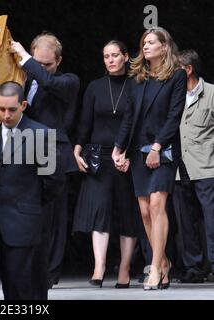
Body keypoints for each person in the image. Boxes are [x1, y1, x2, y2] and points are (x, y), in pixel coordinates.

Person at [113, 27, 187, 290]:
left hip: (164, 150)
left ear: (165, 47)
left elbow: (174, 116)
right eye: (144, 42)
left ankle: (154, 268)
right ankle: (164, 261)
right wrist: (118, 148)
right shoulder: (138, 78)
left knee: (157, 205)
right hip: (139, 149)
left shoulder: (177, 76)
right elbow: (129, 117)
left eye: (151, 42)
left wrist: (157, 147)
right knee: (145, 211)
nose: (145, 47)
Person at [0, 81, 62, 300]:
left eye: (12, 109)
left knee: (20, 288)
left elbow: (53, 181)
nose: (6, 115)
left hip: (23, 220)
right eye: (1, 109)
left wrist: (30, 202)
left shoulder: (41, 134)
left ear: (23, 105)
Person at [10, 31, 80, 292]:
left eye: (47, 64)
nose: (40, 68)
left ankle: (50, 272)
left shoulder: (68, 81)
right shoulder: (21, 81)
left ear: (58, 62)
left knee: (54, 217)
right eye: (37, 62)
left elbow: (50, 84)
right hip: (24, 153)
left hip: (54, 154)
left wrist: (28, 61)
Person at [72, 40, 139, 288]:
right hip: (99, 157)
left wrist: (129, 154)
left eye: (114, 55)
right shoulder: (95, 87)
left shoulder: (136, 85)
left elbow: (138, 125)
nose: (110, 60)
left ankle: (124, 267)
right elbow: (84, 122)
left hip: (124, 158)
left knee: (126, 212)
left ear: (125, 57)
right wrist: (77, 148)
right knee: (99, 210)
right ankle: (98, 266)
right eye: (106, 56)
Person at [173, 49, 214, 283]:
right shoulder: (173, 95)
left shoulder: (211, 94)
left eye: (176, 69)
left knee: (211, 218)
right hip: (180, 168)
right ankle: (194, 268)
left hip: (207, 166)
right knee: (185, 222)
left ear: (188, 70)